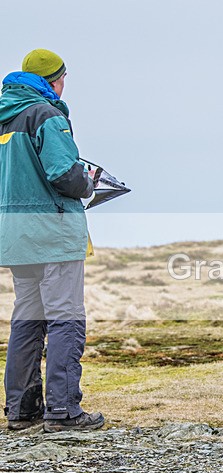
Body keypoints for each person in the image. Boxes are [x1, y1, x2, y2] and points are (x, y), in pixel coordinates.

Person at [0, 49, 105, 432]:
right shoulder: (47, 114)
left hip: (14, 234)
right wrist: (87, 183)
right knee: (65, 318)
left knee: (27, 318)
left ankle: (21, 410)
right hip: (52, 232)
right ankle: (63, 411)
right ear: (53, 80)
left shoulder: (5, 116)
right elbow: (63, 172)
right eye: (62, 78)